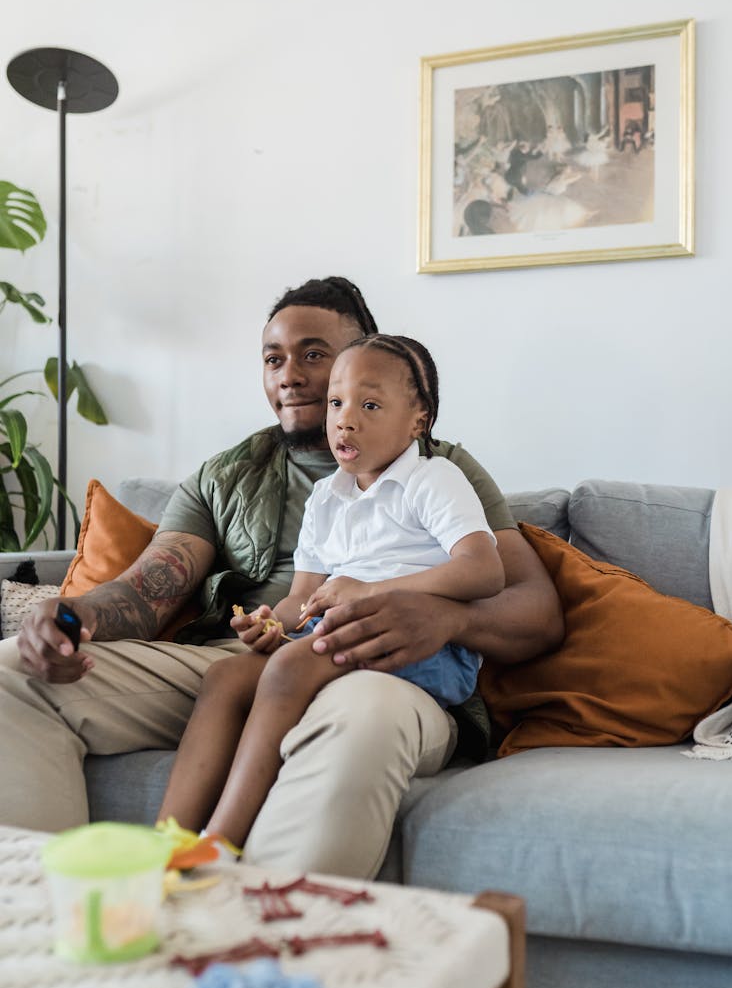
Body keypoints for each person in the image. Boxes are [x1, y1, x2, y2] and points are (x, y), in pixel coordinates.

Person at [0, 276, 564, 878]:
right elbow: (149, 588)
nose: (289, 374)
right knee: (13, 671)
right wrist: (78, 612)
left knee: (361, 713)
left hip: (393, 669)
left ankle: (254, 929)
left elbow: (533, 608)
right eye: (274, 359)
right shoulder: (230, 477)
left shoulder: (438, 469)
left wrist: (448, 616)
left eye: (314, 355)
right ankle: (64, 908)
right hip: (274, 652)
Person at [157, 333, 505, 850]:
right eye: (337, 403)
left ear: (418, 420)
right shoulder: (327, 496)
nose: (346, 419)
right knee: (227, 675)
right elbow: (303, 599)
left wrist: (370, 590)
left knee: (291, 667)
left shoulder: (433, 478)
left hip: (425, 647)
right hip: (334, 633)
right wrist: (272, 623)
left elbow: (484, 570)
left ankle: (220, 842)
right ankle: (167, 842)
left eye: (369, 405)